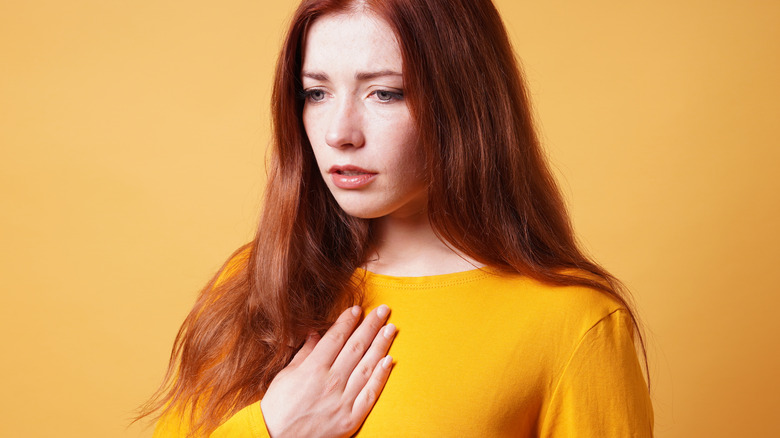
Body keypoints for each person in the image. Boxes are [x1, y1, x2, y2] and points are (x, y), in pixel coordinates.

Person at [138, 0, 654, 436]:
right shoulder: (258, 277)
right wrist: (274, 426)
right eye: (316, 92)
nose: (340, 131)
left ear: (464, 103)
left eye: (384, 92)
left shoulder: (573, 324)